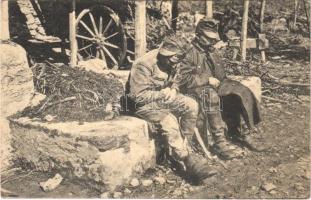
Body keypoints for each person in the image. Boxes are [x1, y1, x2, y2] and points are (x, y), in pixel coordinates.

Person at [125, 36, 217, 183]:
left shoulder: (176, 59)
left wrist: (174, 90)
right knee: (169, 120)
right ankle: (186, 159)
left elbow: (176, 79)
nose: (173, 64)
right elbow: (137, 96)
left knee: (191, 105)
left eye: (176, 60)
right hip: (143, 105)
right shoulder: (143, 64)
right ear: (164, 53)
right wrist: (162, 94)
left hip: (164, 98)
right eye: (171, 60)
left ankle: (186, 146)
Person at [171, 18, 243, 160]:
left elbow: (221, 75)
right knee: (210, 95)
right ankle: (219, 142)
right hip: (193, 89)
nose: (212, 42)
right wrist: (206, 80)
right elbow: (183, 80)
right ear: (198, 35)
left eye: (214, 39)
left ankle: (243, 132)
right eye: (208, 38)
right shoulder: (189, 52)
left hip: (212, 85)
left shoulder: (212, 51)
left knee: (239, 90)